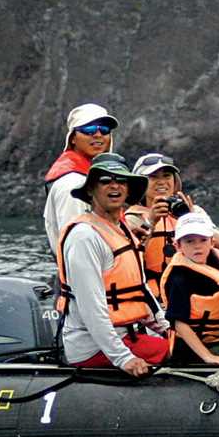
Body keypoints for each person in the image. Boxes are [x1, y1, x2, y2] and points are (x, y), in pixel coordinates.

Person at [54, 152, 171, 375]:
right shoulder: (84, 237)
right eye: (105, 180)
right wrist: (124, 358)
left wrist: (168, 328)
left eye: (121, 181)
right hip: (94, 347)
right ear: (90, 190)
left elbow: (141, 290)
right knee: (179, 353)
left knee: (183, 345)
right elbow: (92, 309)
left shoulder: (124, 229)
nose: (114, 186)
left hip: (127, 336)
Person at [160, 213, 219, 367]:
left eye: (203, 240)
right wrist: (208, 357)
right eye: (189, 241)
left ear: (212, 242)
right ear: (178, 246)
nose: (197, 246)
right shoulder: (179, 278)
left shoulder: (218, 265)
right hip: (195, 350)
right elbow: (179, 323)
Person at [130, 152, 219, 297]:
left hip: (194, 292)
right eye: (153, 177)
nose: (161, 182)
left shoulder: (194, 211)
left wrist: (191, 219)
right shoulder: (132, 218)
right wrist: (151, 222)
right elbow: (129, 260)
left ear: (175, 181)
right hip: (153, 297)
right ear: (140, 183)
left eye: (167, 176)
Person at [43, 103, 118, 255]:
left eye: (104, 129)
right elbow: (77, 245)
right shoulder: (73, 184)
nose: (98, 135)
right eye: (88, 129)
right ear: (72, 139)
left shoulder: (90, 176)